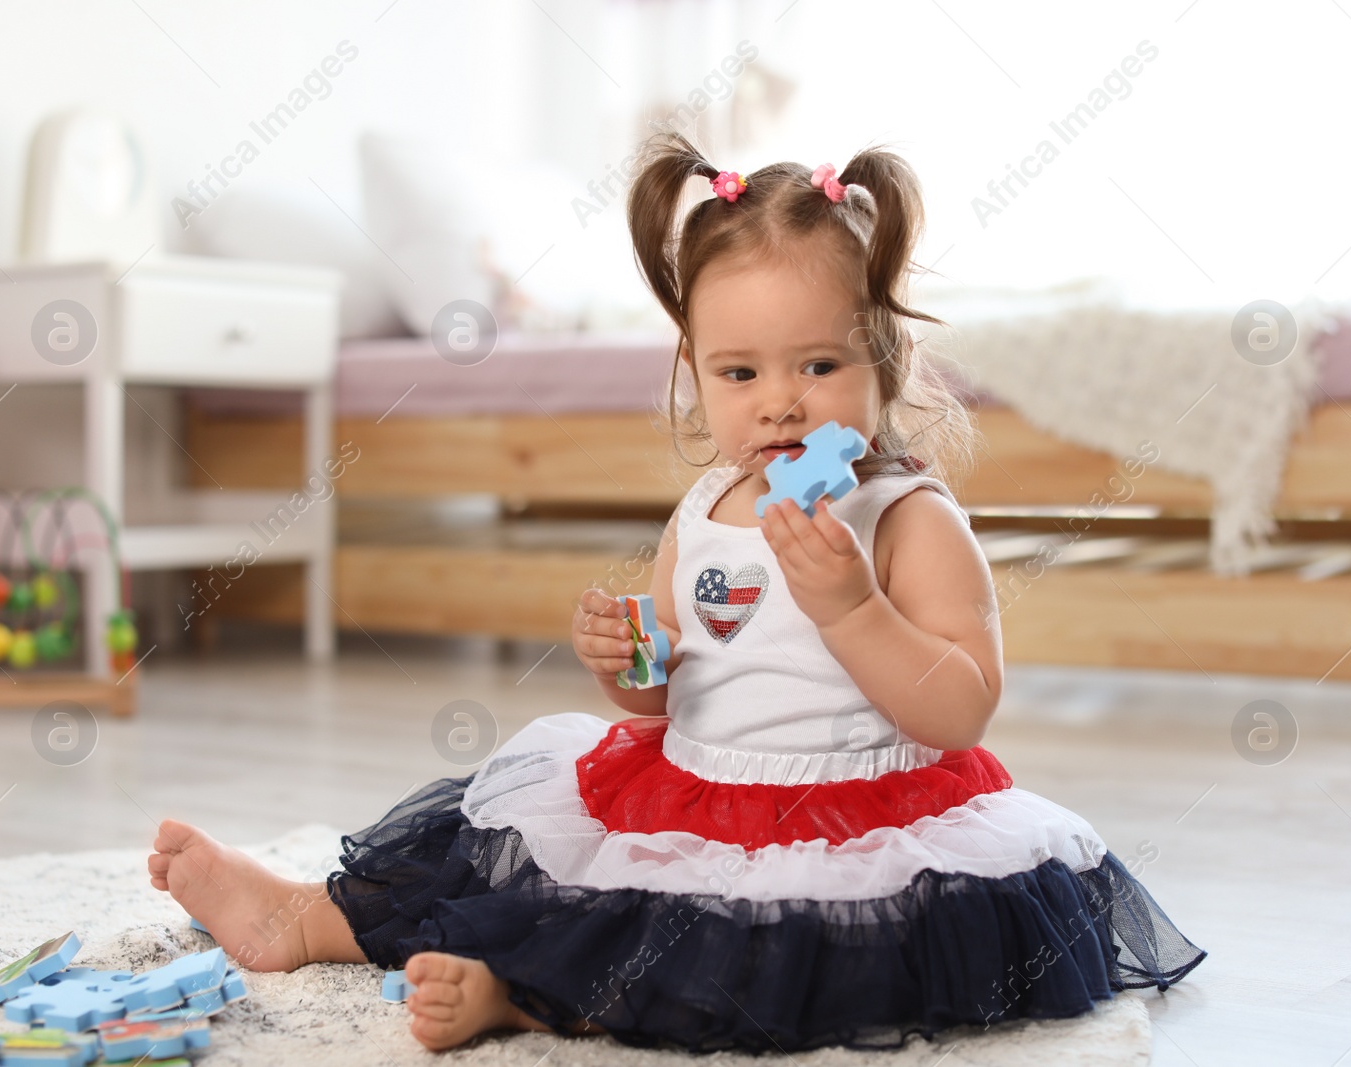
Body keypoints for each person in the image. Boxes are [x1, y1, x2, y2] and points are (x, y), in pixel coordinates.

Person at [148, 128, 1205, 1054]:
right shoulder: (704, 506)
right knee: (498, 864)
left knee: (754, 964)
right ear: (695, 373)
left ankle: (525, 1002)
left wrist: (850, 607)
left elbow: (961, 705)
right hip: (692, 791)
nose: (781, 404)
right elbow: (674, 686)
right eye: (740, 374)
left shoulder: (907, 518)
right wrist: (630, 660)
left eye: (820, 365)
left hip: (852, 824)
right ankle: (299, 918)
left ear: (882, 358)